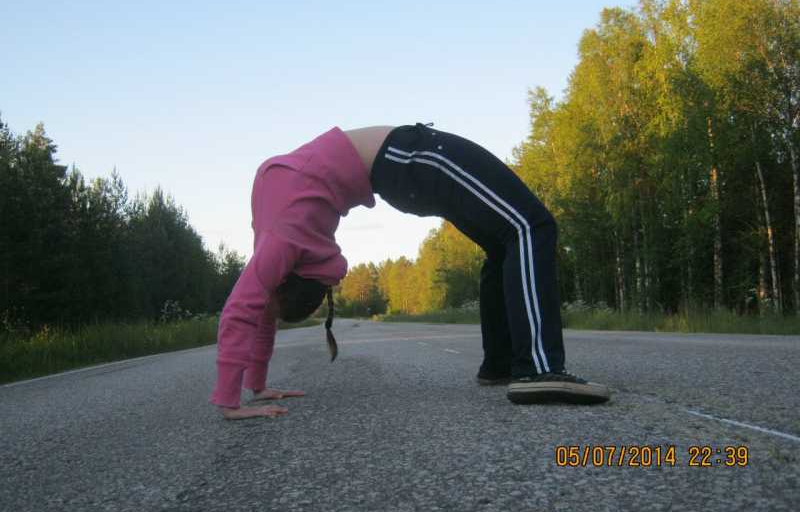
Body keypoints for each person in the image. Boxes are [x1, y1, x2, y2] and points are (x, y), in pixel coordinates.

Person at [210, 123, 611, 420]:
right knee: (530, 226)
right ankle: (539, 369)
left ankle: (501, 364)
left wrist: (256, 386)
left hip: (399, 171)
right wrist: (232, 403)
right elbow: (244, 311)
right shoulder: (282, 239)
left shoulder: (276, 242)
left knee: (503, 240)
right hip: (408, 157)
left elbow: (260, 310)